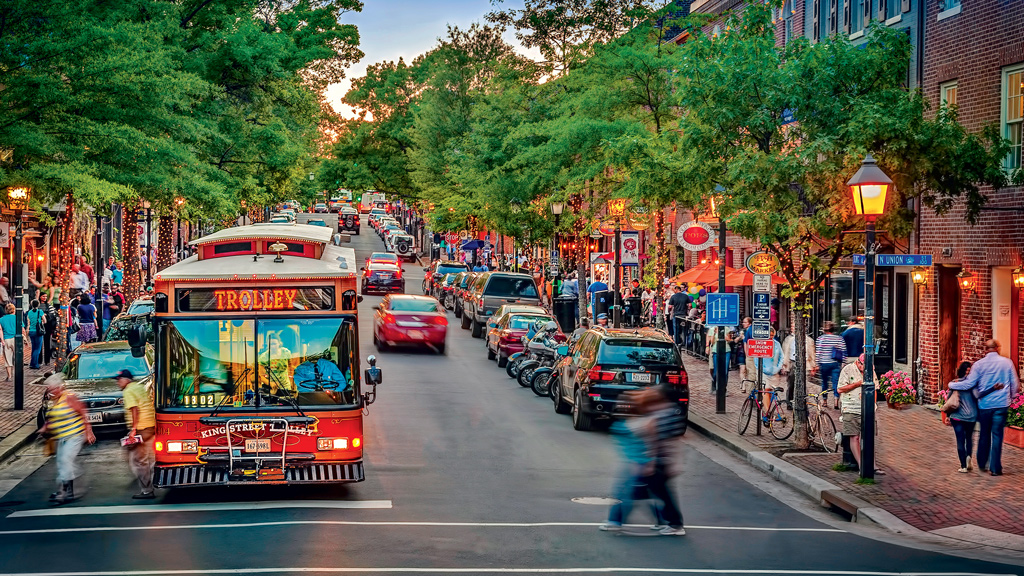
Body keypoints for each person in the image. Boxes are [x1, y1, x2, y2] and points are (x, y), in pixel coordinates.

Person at [600, 390, 666, 532]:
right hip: (638, 463)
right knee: (643, 493)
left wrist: (649, 462)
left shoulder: (633, 425)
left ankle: (615, 521)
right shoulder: (630, 424)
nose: (621, 407)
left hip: (636, 463)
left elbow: (650, 443)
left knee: (624, 492)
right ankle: (663, 519)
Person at [952, 339, 1020, 476]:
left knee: (984, 433)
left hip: (985, 405)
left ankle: (982, 462)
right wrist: (1011, 398)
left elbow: (969, 384)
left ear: (986, 350)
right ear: (997, 348)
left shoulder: (979, 365)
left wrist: (952, 385)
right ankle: (995, 468)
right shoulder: (1007, 363)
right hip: (1001, 404)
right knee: (997, 435)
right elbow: (1015, 384)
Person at [39, 373, 96, 504]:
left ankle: (68, 492)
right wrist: (45, 427)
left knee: (66, 460)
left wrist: (88, 431)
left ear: (59, 387)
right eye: (50, 389)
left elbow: (83, 412)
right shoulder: (54, 400)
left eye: (53, 389)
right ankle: (65, 489)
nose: (51, 392)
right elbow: (52, 416)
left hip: (75, 435)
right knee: (61, 462)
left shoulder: (69, 397)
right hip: (62, 437)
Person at [836, 354, 882, 474]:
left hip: (867, 408)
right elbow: (840, 389)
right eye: (864, 367)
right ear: (858, 362)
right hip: (850, 407)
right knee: (854, 436)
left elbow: (875, 388)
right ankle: (861, 465)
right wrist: (857, 384)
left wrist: (874, 404)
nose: (866, 370)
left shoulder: (871, 371)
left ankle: (872, 464)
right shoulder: (848, 369)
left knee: (868, 437)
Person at [118, 369, 156, 499]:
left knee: (139, 460)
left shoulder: (128, 391)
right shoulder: (139, 387)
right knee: (150, 457)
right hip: (150, 425)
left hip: (141, 428)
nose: (118, 383)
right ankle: (152, 479)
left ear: (126, 380)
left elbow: (135, 409)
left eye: (119, 380)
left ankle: (147, 490)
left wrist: (133, 429)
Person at [814, 321, 846, 409]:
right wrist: (844, 363)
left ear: (824, 329)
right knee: (836, 382)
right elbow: (843, 351)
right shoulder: (839, 338)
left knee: (824, 382)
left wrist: (816, 363)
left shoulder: (820, 339)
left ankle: (825, 400)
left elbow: (818, 352)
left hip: (824, 363)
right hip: (835, 363)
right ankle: (836, 401)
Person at [781, 328, 815, 402]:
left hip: (805, 363)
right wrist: (784, 365)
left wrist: (813, 366)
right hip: (792, 362)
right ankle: (789, 401)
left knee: (804, 385)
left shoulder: (809, 340)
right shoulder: (789, 340)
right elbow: (785, 353)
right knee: (791, 384)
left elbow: (812, 354)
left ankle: (803, 403)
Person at [705, 326, 731, 394]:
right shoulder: (712, 329)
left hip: (726, 350)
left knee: (725, 371)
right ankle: (715, 385)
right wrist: (714, 333)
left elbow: (729, 339)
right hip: (716, 350)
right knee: (716, 370)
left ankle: (724, 388)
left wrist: (723, 334)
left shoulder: (727, 329)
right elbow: (712, 342)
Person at [26, 299, 46, 369]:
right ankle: (35, 364)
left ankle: (32, 363)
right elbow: (45, 321)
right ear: (38, 304)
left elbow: (28, 322)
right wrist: (40, 324)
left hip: (31, 331)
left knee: (33, 347)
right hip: (38, 331)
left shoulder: (29, 312)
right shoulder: (40, 312)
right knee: (38, 348)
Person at [0, 303, 17, 381]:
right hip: (16, 339)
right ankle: (18, 374)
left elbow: (0, 330)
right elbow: (22, 330)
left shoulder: (1, 319)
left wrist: (2, 340)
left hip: (6, 339)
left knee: (7, 358)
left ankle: (9, 376)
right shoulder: (17, 318)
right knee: (18, 357)